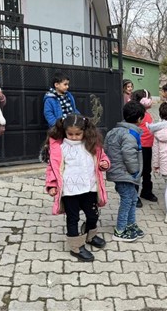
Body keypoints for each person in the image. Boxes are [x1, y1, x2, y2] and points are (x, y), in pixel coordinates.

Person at [44, 114, 110, 262]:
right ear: (64, 131)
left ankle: (90, 234)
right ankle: (76, 246)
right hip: (70, 191)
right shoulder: (59, 147)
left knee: (93, 215)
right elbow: (52, 168)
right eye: (70, 134)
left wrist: (104, 163)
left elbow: (102, 157)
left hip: (90, 188)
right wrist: (52, 185)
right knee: (73, 218)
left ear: (85, 131)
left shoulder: (92, 144)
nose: (74, 137)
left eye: (78, 134)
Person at [104, 101, 146, 242]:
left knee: (133, 198)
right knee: (127, 200)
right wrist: (135, 171)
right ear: (140, 118)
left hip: (119, 172)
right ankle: (120, 230)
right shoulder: (129, 134)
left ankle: (131, 224)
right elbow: (129, 154)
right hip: (124, 173)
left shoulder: (113, 131)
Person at [131, 89, 157, 206]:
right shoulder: (136, 114)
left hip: (148, 147)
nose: (150, 100)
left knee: (147, 170)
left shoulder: (147, 114)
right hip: (139, 147)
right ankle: (134, 195)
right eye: (149, 97)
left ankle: (146, 191)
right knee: (137, 171)